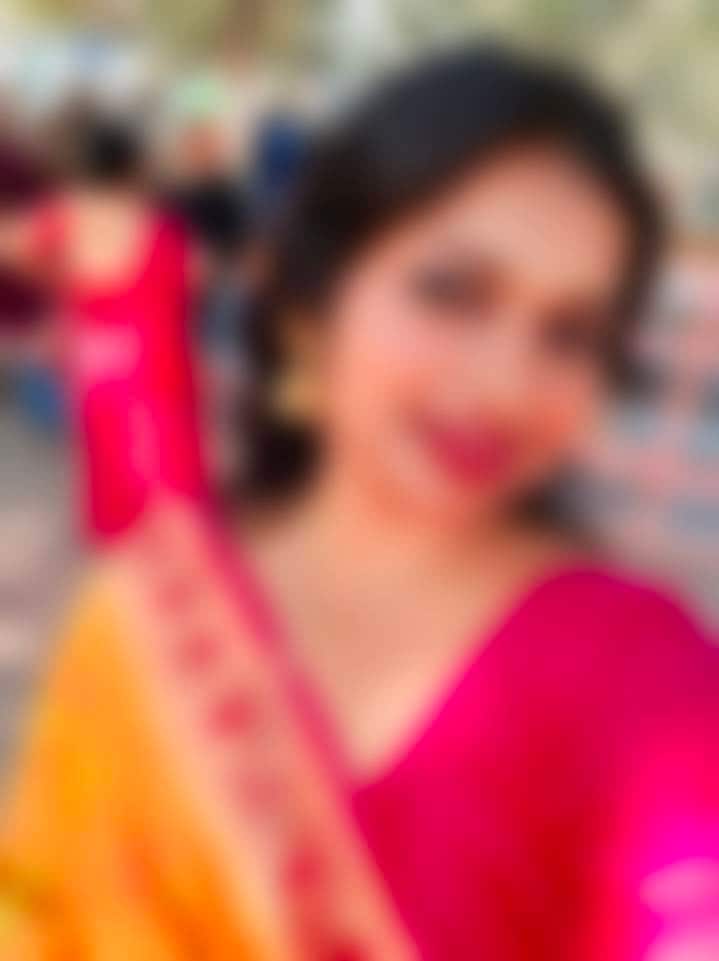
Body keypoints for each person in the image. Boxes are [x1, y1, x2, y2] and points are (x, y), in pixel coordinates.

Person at [2, 48, 719, 961]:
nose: (504, 384)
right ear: (311, 298)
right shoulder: (158, 593)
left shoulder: (637, 670)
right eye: (451, 292)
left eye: (570, 334)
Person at [0, 117, 206, 539]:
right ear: (133, 170)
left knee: (117, 517)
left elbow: (11, 245)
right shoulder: (160, 229)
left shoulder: (63, 222)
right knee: (173, 517)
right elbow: (194, 283)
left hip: (97, 381)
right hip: (160, 383)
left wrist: (54, 281)